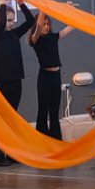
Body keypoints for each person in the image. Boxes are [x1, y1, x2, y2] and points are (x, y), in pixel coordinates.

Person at [0, 0, 35, 166]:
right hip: (1, 81)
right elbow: (0, 24)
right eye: (8, 20)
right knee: (2, 120)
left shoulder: (14, 34)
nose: (11, 23)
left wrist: (22, 5)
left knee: (12, 118)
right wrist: (2, 4)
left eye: (13, 20)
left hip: (15, 80)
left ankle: (12, 153)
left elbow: (30, 21)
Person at [28, 10, 74, 140]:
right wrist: (43, 9)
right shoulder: (35, 39)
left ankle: (56, 139)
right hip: (45, 77)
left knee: (54, 111)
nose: (46, 26)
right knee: (43, 110)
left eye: (48, 24)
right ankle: (42, 139)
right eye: (44, 24)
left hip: (56, 76)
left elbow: (70, 27)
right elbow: (38, 25)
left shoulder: (53, 37)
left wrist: (72, 11)